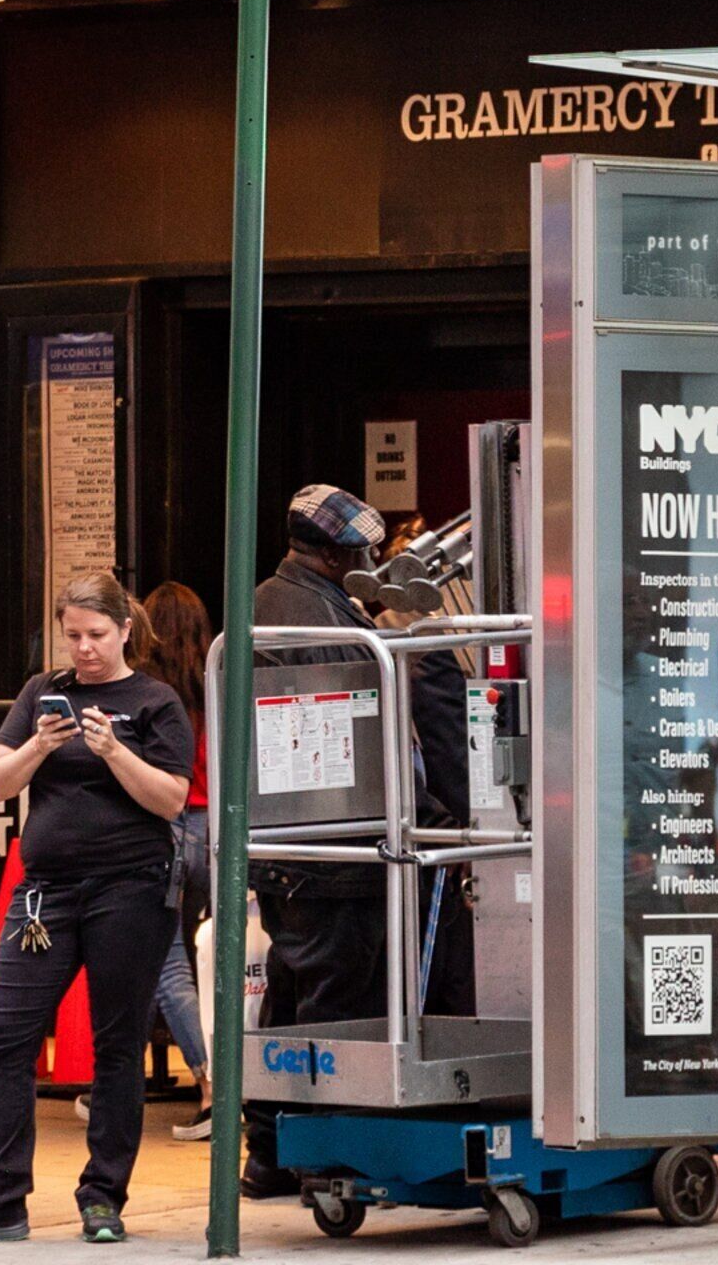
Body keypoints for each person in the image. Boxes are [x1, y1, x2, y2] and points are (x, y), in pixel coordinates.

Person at [0, 574, 194, 1244]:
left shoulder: (155, 702)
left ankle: (103, 1196)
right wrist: (42, 744)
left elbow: (169, 798)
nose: (85, 650)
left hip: (130, 888)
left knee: (117, 1045)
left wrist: (113, 750)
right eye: (73, 636)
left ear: (126, 630)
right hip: (47, 888)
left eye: (97, 636)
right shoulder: (43, 693)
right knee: (5, 1035)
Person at [239, 482, 466, 1197]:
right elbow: (364, 729)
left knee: (294, 988)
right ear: (334, 555)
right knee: (337, 1000)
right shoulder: (316, 619)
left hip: (302, 847)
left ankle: (271, 1149)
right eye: (362, 552)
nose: (371, 560)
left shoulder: (285, 599)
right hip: (335, 849)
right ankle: (315, 1149)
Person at [128, 579, 216, 1142]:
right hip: (219, 829)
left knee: (167, 962)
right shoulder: (221, 684)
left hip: (168, 829)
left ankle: (211, 1085)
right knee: (229, 960)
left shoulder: (146, 696)